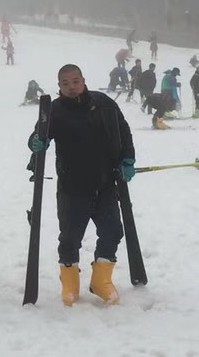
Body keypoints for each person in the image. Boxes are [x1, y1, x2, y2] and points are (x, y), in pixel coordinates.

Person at [28, 64, 135, 307]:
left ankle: (101, 281)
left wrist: (128, 158)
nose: (71, 87)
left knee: (112, 232)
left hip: (105, 182)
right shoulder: (54, 111)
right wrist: (37, 142)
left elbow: (124, 130)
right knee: (70, 237)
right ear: (59, 87)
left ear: (83, 80)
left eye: (75, 81)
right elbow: (39, 135)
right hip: (72, 185)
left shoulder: (104, 103)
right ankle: (70, 285)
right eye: (65, 84)